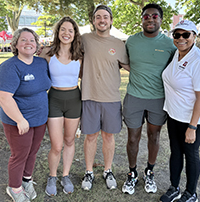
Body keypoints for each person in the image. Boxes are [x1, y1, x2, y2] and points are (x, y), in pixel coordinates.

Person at [121, 3, 176, 195]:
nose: (150, 19)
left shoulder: (170, 44)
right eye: (146, 17)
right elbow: (121, 60)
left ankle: (150, 171)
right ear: (141, 20)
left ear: (161, 20)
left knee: (154, 136)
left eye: (154, 16)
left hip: (158, 99)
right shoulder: (131, 41)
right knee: (133, 138)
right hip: (134, 97)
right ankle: (132, 173)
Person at [159, 20, 200, 202]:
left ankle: (191, 193)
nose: (181, 38)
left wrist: (192, 127)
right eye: (177, 35)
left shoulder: (199, 61)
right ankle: (174, 188)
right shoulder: (177, 53)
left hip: (192, 119)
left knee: (190, 154)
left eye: (186, 35)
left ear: (194, 37)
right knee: (175, 152)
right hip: (174, 114)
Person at [0, 28, 51, 202]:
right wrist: (20, 120)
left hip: (40, 119)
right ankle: (14, 187)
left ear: (37, 45)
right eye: (23, 40)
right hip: (18, 121)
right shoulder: (9, 67)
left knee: (33, 151)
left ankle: (27, 180)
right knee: (19, 154)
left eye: (32, 40)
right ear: (16, 45)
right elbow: (4, 97)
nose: (28, 43)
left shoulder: (41, 63)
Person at [80, 5, 129, 191]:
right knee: (91, 136)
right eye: (98, 17)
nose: (102, 20)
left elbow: (130, 67)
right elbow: (65, 48)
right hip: (89, 96)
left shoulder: (119, 44)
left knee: (109, 136)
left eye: (105, 17)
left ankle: (108, 170)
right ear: (93, 21)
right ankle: (89, 172)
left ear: (111, 20)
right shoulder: (84, 39)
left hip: (111, 98)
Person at [38, 16, 83, 196]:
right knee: (56, 145)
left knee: (70, 140)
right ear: (58, 32)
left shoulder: (80, 54)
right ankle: (52, 175)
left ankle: (65, 175)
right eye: (63, 29)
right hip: (54, 98)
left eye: (70, 30)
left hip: (74, 99)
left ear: (74, 34)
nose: (66, 33)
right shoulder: (47, 53)